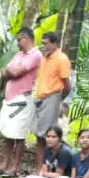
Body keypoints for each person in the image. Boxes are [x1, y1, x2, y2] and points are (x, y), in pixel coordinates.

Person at [0, 27, 42, 177]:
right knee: (8, 133)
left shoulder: (35, 55)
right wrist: (10, 71)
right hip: (10, 97)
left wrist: (10, 71)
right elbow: (4, 72)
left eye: (19, 40)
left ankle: (14, 168)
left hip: (23, 98)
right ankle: (4, 165)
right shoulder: (19, 54)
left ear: (27, 38)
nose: (17, 43)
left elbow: (14, 72)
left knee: (19, 134)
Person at [31, 32, 72, 169]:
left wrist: (58, 99)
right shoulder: (44, 58)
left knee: (48, 136)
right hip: (40, 97)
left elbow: (67, 85)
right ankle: (40, 168)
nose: (44, 46)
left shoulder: (61, 59)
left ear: (55, 44)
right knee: (39, 135)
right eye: (42, 43)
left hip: (52, 96)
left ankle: (50, 168)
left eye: (46, 43)